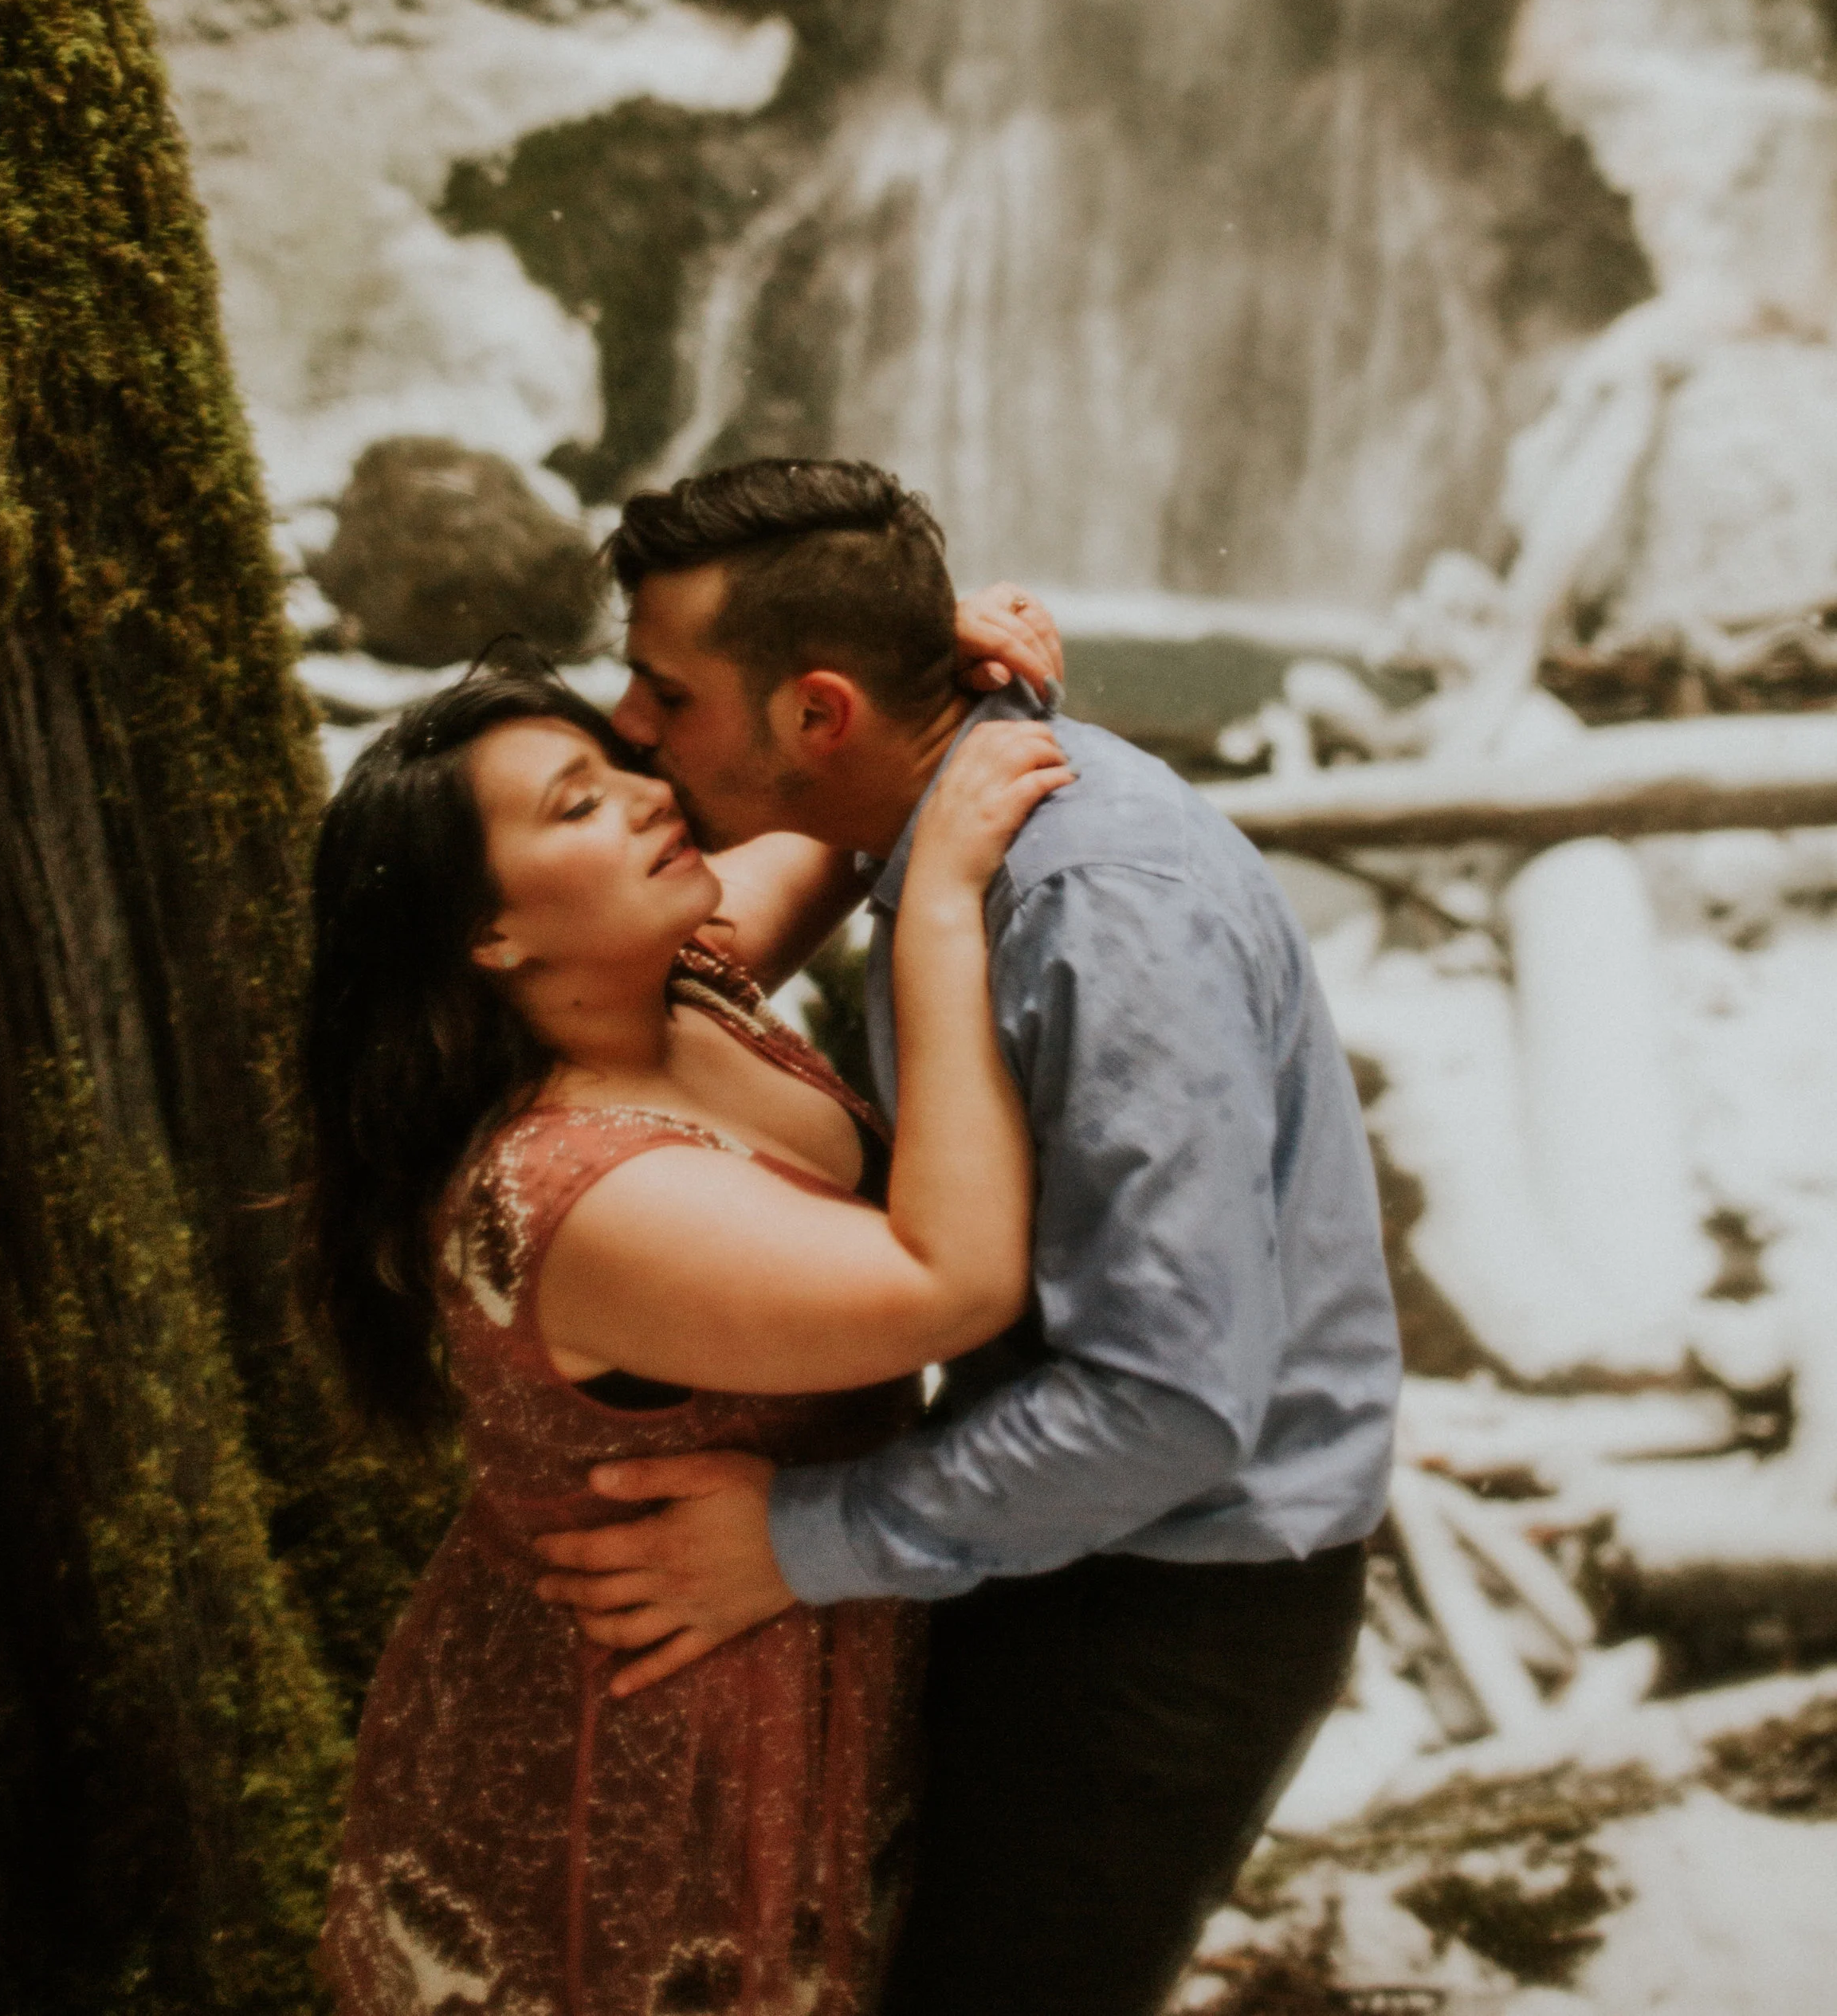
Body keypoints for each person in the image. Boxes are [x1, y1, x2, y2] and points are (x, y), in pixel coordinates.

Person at [532, 460, 1403, 2016]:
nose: (631, 728)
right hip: (1053, 1530)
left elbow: (1170, 1401)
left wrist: (795, 1542)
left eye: (661, 691)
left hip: (1173, 1591)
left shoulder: (1092, 907)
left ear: (817, 717)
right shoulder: (936, 814)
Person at [303, 638, 1071, 2016]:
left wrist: (907, 644)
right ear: (494, 936)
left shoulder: (682, 982)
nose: (652, 797)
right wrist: (945, 906)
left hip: (781, 1634)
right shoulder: (569, 1199)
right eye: (577, 804)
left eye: (623, 765)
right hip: (639, 1731)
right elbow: (952, 1282)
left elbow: (830, 831)